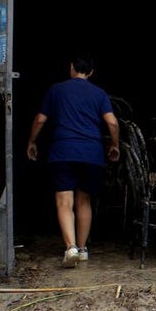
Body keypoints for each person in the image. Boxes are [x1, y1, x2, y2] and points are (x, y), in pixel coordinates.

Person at [26, 54, 120, 268]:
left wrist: (31, 141)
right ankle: (83, 248)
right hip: (91, 153)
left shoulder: (56, 90)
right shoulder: (99, 94)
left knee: (64, 201)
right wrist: (115, 145)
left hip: (63, 151)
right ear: (91, 72)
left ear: (71, 68)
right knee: (84, 200)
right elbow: (112, 123)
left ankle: (71, 248)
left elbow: (41, 119)